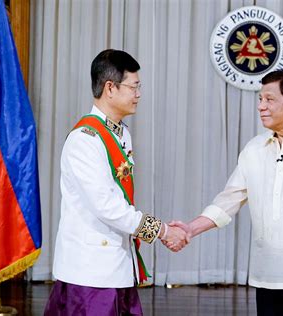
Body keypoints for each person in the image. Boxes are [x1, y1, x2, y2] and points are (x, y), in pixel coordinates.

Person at [170, 70, 283, 316]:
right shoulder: (254, 149)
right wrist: (190, 229)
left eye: (269, 99)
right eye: (260, 100)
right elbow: (228, 201)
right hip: (267, 276)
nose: (261, 107)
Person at [44, 49, 188, 315]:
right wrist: (163, 231)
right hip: (90, 274)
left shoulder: (120, 134)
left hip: (116, 265)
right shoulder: (85, 140)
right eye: (134, 86)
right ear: (110, 88)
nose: (138, 94)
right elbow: (107, 206)